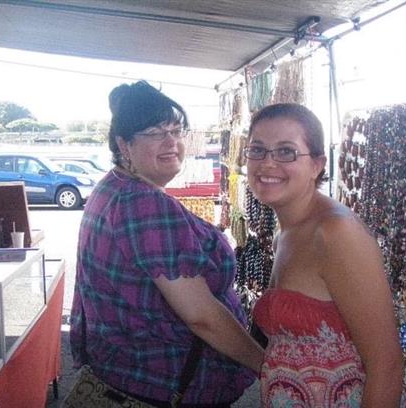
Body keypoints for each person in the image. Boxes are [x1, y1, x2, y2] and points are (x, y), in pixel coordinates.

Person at [70, 81, 263, 407]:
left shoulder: (111, 187)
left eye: (176, 130)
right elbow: (201, 315)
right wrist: (266, 366)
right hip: (162, 384)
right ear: (124, 144)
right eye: (155, 132)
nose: (171, 141)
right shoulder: (144, 204)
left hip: (124, 373)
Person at [246, 103, 406, 407]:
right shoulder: (286, 233)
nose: (267, 163)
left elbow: (387, 366)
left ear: (317, 164)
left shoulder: (335, 233)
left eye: (286, 152)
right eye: (257, 150)